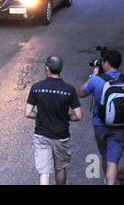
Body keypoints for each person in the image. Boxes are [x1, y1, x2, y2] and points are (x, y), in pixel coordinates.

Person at [25, 56, 83, 185]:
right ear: (60, 69)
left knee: (44, 172)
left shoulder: (36, 87)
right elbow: (78, 116)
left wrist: (40, 116)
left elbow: (28, 113)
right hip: (61, 135)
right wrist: (66, 117)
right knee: (60, 167)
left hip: (41, 134)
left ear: (47, 68)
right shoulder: (69, 89)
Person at [78, 50, 124, 185]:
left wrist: (94, 75)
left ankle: (107, 180)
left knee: (105, 155)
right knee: (113, 160)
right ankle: (110, 181)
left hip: (100, 125)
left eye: (103, 61)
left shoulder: (97, 80)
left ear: (106, 63)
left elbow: (81, 92)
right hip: (121, 126)